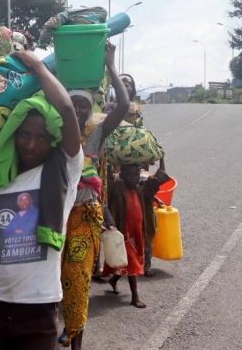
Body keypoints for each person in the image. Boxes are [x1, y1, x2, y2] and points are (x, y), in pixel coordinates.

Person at [0, 50, 83, 350]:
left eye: (41, 137)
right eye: (24, 134)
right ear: (13, 134)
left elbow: (66, 111)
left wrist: (37, 66)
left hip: (39, 303)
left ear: (52, 140)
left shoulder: (63, 171)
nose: (31, 144)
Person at [60, 42, 130, 349]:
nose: (77, 110)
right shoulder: (53, 134)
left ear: (90, 110)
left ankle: (75, 339)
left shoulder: (94, 136)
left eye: (83, 106)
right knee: (50, 281)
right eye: (71, 104)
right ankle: (52, 329)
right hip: (52, 216)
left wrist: (110, 66)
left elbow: (124, 107)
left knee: (76, 280)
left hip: (84, 218)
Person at [103, 164, 170, 308]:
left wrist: (161, 158)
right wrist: (109, 165)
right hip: (124, 233)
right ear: (122, 176)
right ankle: (135, 297)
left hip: (137, 232)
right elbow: (107, 182)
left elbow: (158, 179)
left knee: (127, 261)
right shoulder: (118, 191)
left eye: (135, 175)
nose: (133, 178)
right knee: (132, 262)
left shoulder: (141, 190)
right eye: (129, 175)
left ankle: (114, 280)